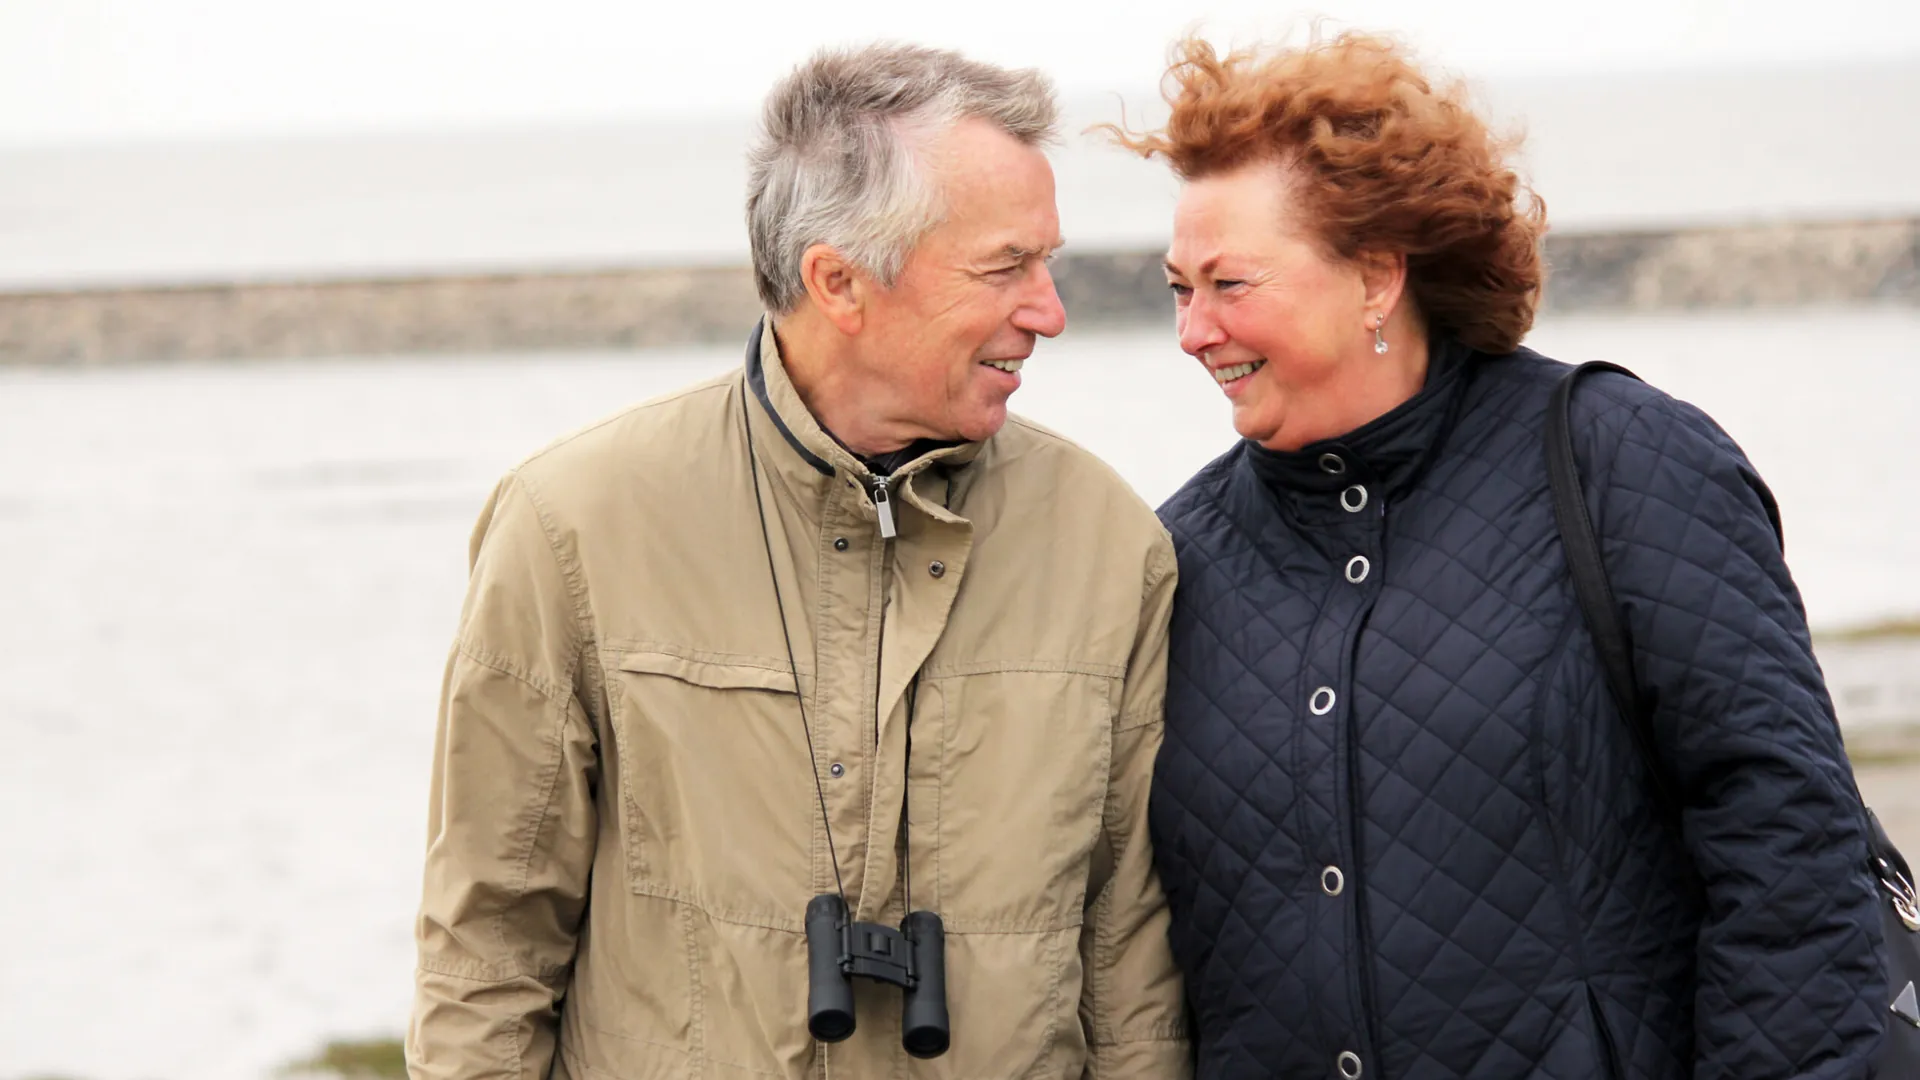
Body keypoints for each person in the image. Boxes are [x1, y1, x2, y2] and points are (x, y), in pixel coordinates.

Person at [1108, 31, 1887, 1080]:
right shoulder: (1176, 555)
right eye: (1176, 289)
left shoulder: (1620, 459)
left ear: (1378, 275)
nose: (1194, 331)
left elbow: (1790, 845)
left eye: (1230, 283)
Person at [408, 44, 1191, 1079]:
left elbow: (1131, 965)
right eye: (1006, 267)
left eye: (1046, 262)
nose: (1050, 310)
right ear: (839, 281)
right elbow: (488, 948)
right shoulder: (570, 526)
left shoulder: (1111, 541)